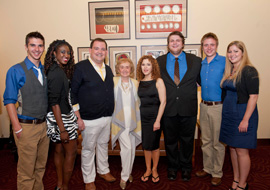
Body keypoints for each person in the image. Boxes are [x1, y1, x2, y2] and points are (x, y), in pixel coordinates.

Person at [3, 31, 49, 190]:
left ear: (44, 47)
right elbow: (9, 101)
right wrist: (17, 127)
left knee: (40, 167)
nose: (37, 49)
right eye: (33, 45)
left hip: (44, 127)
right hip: (26, 127)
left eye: (40, 45)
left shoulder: (45, 70)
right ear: (26, 47)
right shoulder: (15, 70)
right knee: (26, 171)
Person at [71, 38, 115, 190]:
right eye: (96, 48)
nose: (100, 52)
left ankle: (103, 170)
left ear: (106, 52)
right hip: (88, 118)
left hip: (106, 116)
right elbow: (73, 93)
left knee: (103, 145)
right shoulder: (80, 68)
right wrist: (78, 117)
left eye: (103, 49)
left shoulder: (108, 69)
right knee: (88, 149)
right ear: (90, 51)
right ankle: (89, 179)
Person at [157, 31, 201, 181]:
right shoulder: (159, 61)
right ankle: (172, 167)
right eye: (171, 41)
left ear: (183, 43)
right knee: (170, 141)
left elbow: (203, 82)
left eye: (177, 40)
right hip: (168, 109)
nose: (174, 43)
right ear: (168, 44)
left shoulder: (195, 61)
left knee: (187, 141)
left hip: (188, 108)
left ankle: (186, 167)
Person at [219, 41, 259, 190]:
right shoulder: (230, 71)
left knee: (242, 150)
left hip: (243, 114)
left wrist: (245, 119)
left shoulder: (249, 71)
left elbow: (253, 97)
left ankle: (243, 184)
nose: (232, 54)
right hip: (229, 114)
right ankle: (236, 180)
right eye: (230, 51)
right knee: (232, 149)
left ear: (243, 52)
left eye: (236, 51)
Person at [44, 40, 78, 190]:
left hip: (56, 117)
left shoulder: (55, 69)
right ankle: (64, 186)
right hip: (62, 118)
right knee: (71, 153)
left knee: (58, 151)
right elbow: (55, 102)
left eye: (68, 52)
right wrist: (63, 129)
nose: (66, 55)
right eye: (62, 52)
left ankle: (59, 184)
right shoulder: (57, 73)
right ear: (54, 53)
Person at [195, 33, 226, 186]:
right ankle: (207, 168)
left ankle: (217, 172)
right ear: (202, 47)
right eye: (206, 45)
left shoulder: (225, 62)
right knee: (205, 140)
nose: (208, 47)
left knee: (217, 142)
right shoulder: (200, 64)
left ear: (217, 46)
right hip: (204, 106)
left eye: (212, 44)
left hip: (218, 107)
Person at [111, 58, 142, 190]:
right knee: (127, 149)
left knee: (132, 149)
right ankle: (124, 176)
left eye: (127, 67)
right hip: (119, 120)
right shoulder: (113, 81)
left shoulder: (136, 83)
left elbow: (139, 102)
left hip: (133, 120)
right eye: (122, 67)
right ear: (118, 69)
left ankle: (128, 172)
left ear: (131, 70)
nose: (124, 70)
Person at [137, 55, 166, 184]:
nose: (145, 67)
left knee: (154, 146)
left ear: (153, 66)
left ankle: (154, 169)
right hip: (142, 118)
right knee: (146, 145)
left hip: (155, 117)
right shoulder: (139, 82)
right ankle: (148, 169)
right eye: (143, 64)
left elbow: (164, 102)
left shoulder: (158, 81)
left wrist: (158, 120)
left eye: (148, 64)